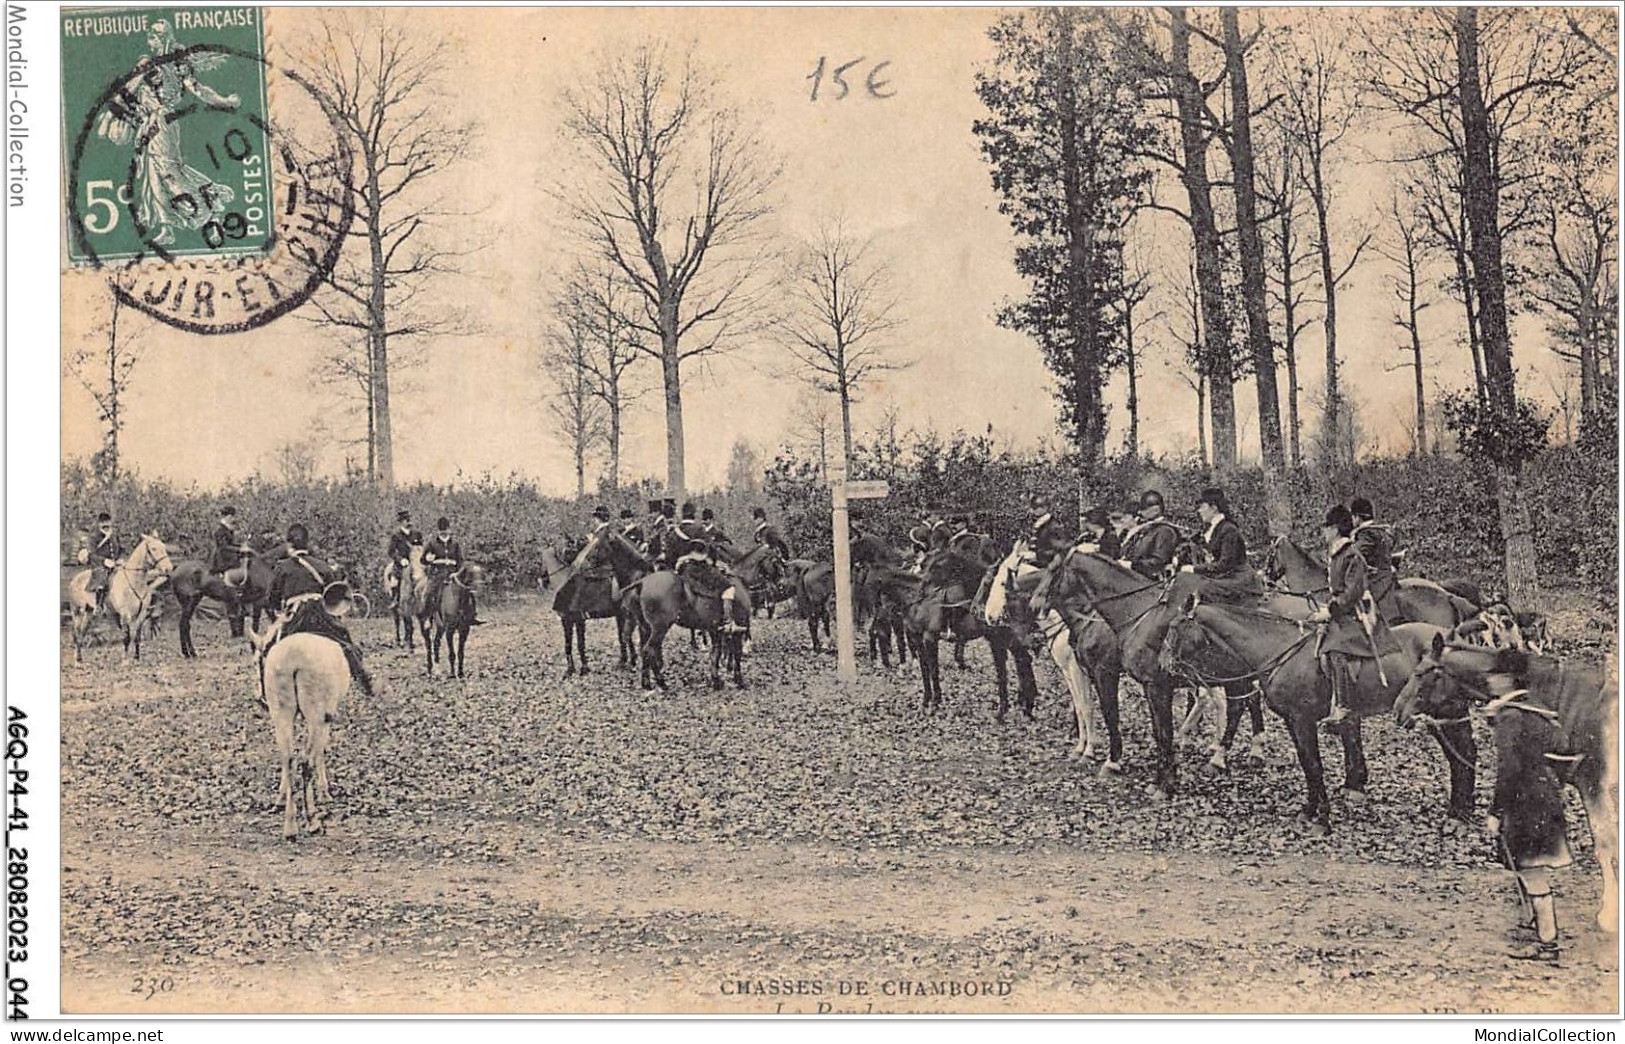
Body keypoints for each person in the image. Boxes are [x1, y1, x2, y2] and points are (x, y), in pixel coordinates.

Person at [1311, 504, 1399, 730]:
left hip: (1357, 612)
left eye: (1327, 527)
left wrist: (1330, 610)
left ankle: (1343, 705)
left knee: (1336, 648)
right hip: (1344, 610)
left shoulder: (1352, 553)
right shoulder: (1336, 553)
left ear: (1336, 529)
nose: (1324, 532)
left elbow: (1353, 592)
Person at [265, 523, 374, 699]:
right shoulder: (322, 566)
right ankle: (364, 681)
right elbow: (334, 595)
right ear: (307, 544)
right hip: (320, 615)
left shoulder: (282, 567)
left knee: (269, 648)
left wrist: (279, 616)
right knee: (345, 642)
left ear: (289, 545)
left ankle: (266, 692)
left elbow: (271, 600)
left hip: (295, 616)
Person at [1177, 487, 1263, 604]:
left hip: (1239, 579)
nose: (1199, 511)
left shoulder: (1229, 530)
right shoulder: (1212, 529)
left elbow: (1225, 564)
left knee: (1201, 587)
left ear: (1214, 508)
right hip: (1223, 577)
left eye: (1202, 507)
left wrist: (1194, 569)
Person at [1350, 497, 1404, 624]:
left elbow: (1354, 555)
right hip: (1387, 576)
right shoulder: (1381, 530)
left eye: (1353, 517)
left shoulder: (1366, 534)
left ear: (1357, 517)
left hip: (1376, 581)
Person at [1118, 490, 1182, 579]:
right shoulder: (1145, 529)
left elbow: (1158, 562)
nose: (1140, 512)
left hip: (1151, 583)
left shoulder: (1165, 531)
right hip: (1133, 577)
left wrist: (1132, 565)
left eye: (1144, 509)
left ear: (1156, 510)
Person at [423, 517, 464, 610]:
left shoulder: (455, 544)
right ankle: (427, 617)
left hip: (453, 574)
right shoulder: (432, 544)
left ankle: (470, 616)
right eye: (441, 530)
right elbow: (423, 560)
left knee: (467, 590)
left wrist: (457, 572)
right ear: (438, 531)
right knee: (428, 593)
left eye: (445, 530)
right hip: (437, 574)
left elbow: (460, 560)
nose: (443, 532)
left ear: (449, 529)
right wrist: (427, 559)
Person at [210, 506, 254, 590]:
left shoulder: (227, 528)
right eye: (232, 516)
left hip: (228, 553)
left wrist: (241, 546)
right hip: (222, 556)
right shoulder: (220, 530)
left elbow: (231, 544)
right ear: (228, 517)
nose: (233, 519)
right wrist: (240, 549)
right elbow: (224, 546)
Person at [86, 512, 121, 609]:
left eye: (107, 522)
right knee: (102, 580)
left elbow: (121, 549)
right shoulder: (94, 537)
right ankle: (99, 606)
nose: (106, 525)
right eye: (103, 522)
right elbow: (92, 554)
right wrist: (104, 561)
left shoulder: (114, 535)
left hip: (115, 563)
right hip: (99, 565)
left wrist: (121, 559)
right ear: (99, 524)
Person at [1028, 493, 1073, 568]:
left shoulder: (1053, 526)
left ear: (1045, 508)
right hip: (1037, 562)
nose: (1032, 510)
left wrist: (1037, 555)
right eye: (1032, 507)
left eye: (1036, 507)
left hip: (1048, 565)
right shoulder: (1040, 524)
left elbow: (1062, 548)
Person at [385, 510, 418, 606]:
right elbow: (391, 552)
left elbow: (420, 548)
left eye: (408, 519)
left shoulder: (416, 534)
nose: (408, 521)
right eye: (405, 520)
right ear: (401, 522)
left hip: (415, 562)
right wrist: (400, 560)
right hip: (401, 564)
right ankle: (395, 599)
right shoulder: (396, 535)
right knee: (395, 581)